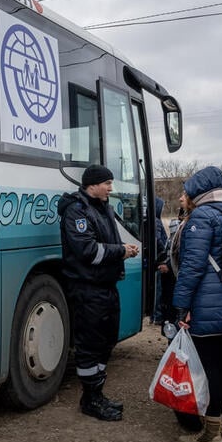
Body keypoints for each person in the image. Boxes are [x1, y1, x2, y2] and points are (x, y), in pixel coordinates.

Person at [172, 166, 222, 442]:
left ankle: (212, 435)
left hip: (207, 303)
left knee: (211, 368)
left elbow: (192, 267)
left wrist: (182, 305)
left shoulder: (202, 217)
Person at [58, 164, 139, 422]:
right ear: (93, 184)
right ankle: (91, 398)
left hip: (106, 287)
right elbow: (88, 251)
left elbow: (106, 245)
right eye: (107, 183)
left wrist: (121, 248)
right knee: (90, 346)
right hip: (88, 290)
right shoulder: (76, 212)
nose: (111, 188)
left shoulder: (103, 208)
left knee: (107, 340)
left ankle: (96, 392)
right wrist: (121, 251)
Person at [151, 197, 172, 326]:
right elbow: (157, 240)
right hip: (160, 260)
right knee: (159, 289)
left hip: (156, 259)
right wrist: (163, 255)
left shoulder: (153, 220)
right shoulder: (157, 222)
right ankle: (158, 315)